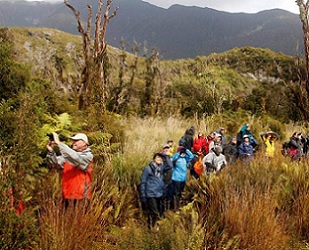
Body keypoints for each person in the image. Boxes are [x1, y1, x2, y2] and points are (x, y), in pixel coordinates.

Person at [46, 132, 93, 209]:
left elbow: (76, 158)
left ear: (85, 144)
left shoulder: (88, 157)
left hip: (81, 199)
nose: (73, 143)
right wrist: (51, 152)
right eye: (73, 141)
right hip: (67, 197)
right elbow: (55, 164)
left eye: (76, 140)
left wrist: (59, 143)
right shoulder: (68, 157)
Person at [140, 153, 165, 229]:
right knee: (154, 212)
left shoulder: (161, 168)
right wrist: (143, 195)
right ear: (154, 159)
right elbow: (143, 182)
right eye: (158, 157)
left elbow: (170, 166)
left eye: (161, 158)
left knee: (159, 212)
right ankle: (151, 229)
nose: (159, 159)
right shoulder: (148, 169)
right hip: (150, 194)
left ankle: (153, 227)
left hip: (159, 194)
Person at [171, 146, 194, 210]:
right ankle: (175, 207)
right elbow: (172, 158)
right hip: (176, 178)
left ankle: (179, 205)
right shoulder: (176, 158)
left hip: (183, 179)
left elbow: (191, 156)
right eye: (182, 152)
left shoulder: (185, 159)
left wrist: (186, 150)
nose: (183, 153)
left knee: (180, 192)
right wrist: (179, 153)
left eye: (184, 152)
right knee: (176, 193)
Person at [161, 145, 174, 211]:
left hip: (172, 180)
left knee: (170, 195)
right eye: (165, 149)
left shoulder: (171, 158)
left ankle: (169, 210)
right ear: (162, 150)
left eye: (167, 149)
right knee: (164, 196)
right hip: (164, 180)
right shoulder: (161, 159)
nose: (166, 150)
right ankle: (163, 210)